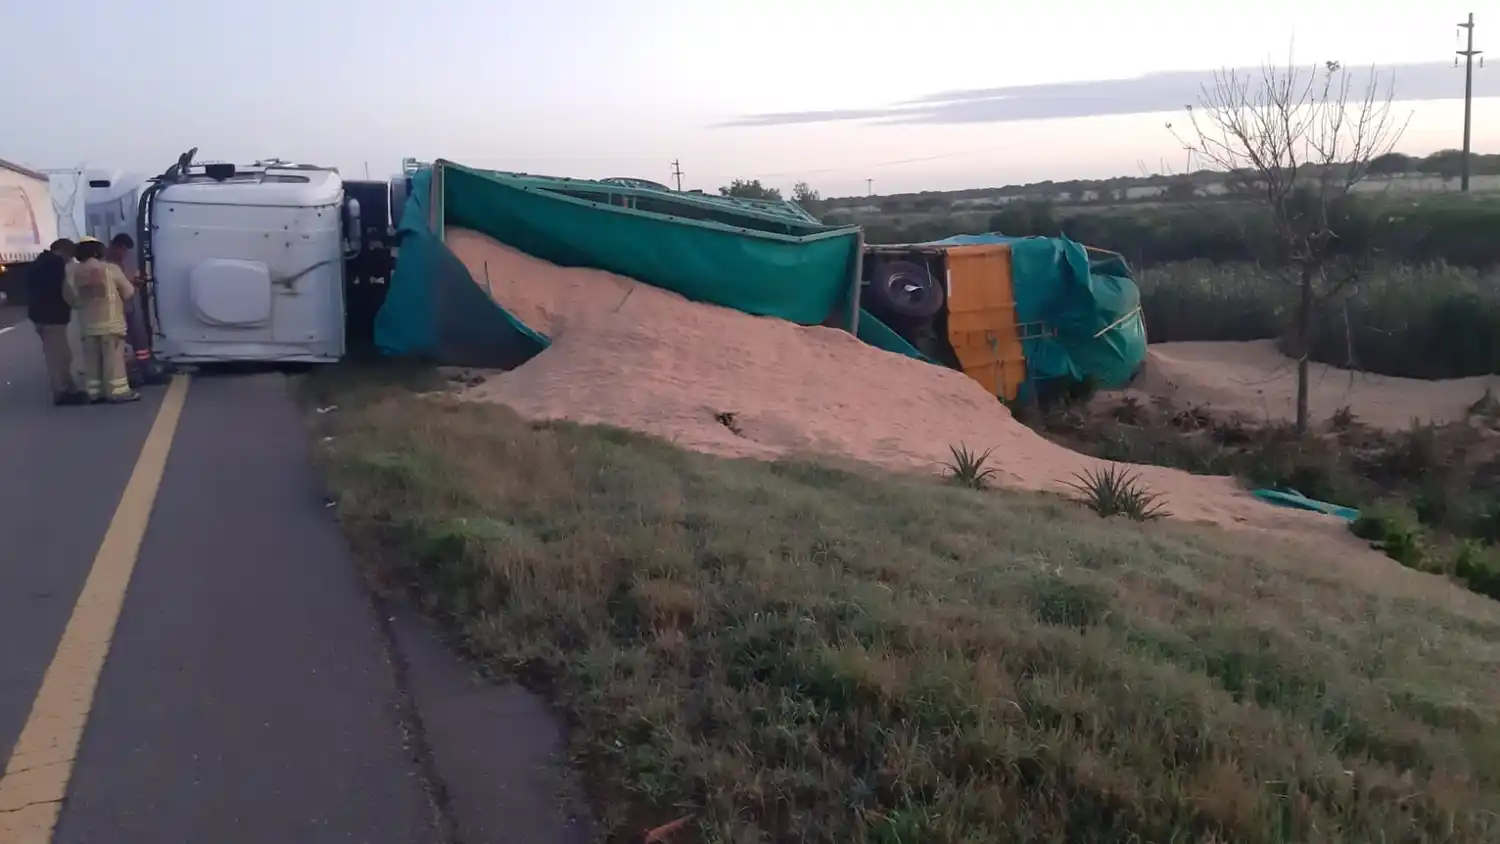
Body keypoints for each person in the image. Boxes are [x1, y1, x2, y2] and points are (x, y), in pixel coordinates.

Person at [64, 236, 139, 403]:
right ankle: (118, 392)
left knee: (92, 362)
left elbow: (71, 298)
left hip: (88, 326)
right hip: (111, 324)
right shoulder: (110, 269)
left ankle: (94, 393)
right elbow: (128, 292)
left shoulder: (74, 272)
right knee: (113, 361)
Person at [25, 238, 88, 405]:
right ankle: (61, 392)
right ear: (64, 251)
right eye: (70, 255)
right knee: (59, 357)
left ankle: (68, 388)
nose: (70, 259)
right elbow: (65, 290)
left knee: (60, 354)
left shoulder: (38, 262)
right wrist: (78, 304)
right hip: (53, 317)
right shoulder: (56, 265)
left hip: (39, 316)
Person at [105, 233, 155, 386]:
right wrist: (133, 284)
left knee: (138, 339)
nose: (125, 254)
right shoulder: (109, 265)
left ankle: (142, 370)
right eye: (124, 250)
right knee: (125, 343)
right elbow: (121, 289)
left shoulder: (113, 263)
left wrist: (132, 282)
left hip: (126, 306)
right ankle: (130, 374)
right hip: (119, 309)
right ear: (118, 247)